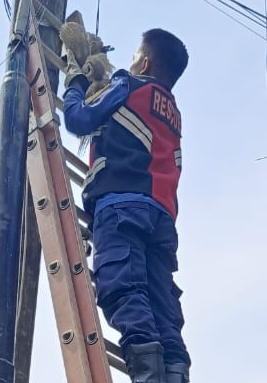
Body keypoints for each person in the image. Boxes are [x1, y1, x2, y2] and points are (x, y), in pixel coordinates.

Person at [61, 28, 191, 383]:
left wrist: (75, 82)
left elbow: (78, 119)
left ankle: (147, 376)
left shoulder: (127, 85)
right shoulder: (174, 114)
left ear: (144, 63)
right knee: (163, 307)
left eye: (134, 57)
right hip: (161, 219)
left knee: (123, 288)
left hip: (121, 207)